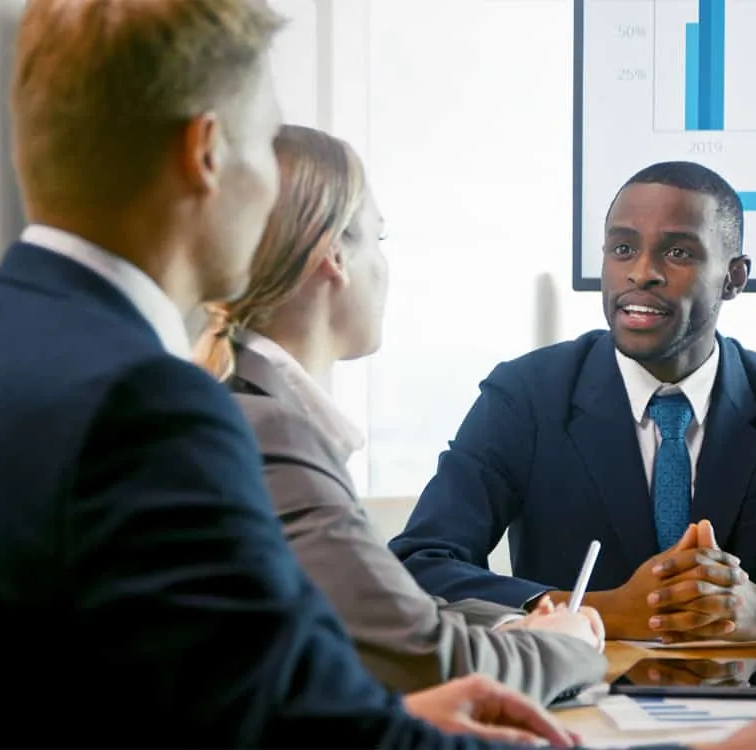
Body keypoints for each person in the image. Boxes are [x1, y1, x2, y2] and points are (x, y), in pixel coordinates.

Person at [0, 1, 576, 747]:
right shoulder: (148, 405)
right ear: (206, 153)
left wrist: (389, 718)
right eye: (263, 144)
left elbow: (195, 701)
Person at [389, 161, 756, 642]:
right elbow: (417, 567)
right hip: (569, 703)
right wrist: (601, 611)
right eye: (621, 248)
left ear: (734, 277)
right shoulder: (527, 396)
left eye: (678, 253)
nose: (640, 273)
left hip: (748, 710)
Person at [192, 124, 608, 705]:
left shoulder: (250, 409)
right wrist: (569, 648)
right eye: (378, 239)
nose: (386, 269)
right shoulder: (272, 433)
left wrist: (517, 623)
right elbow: (425, 660)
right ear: (334, 254)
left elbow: (383, 609)